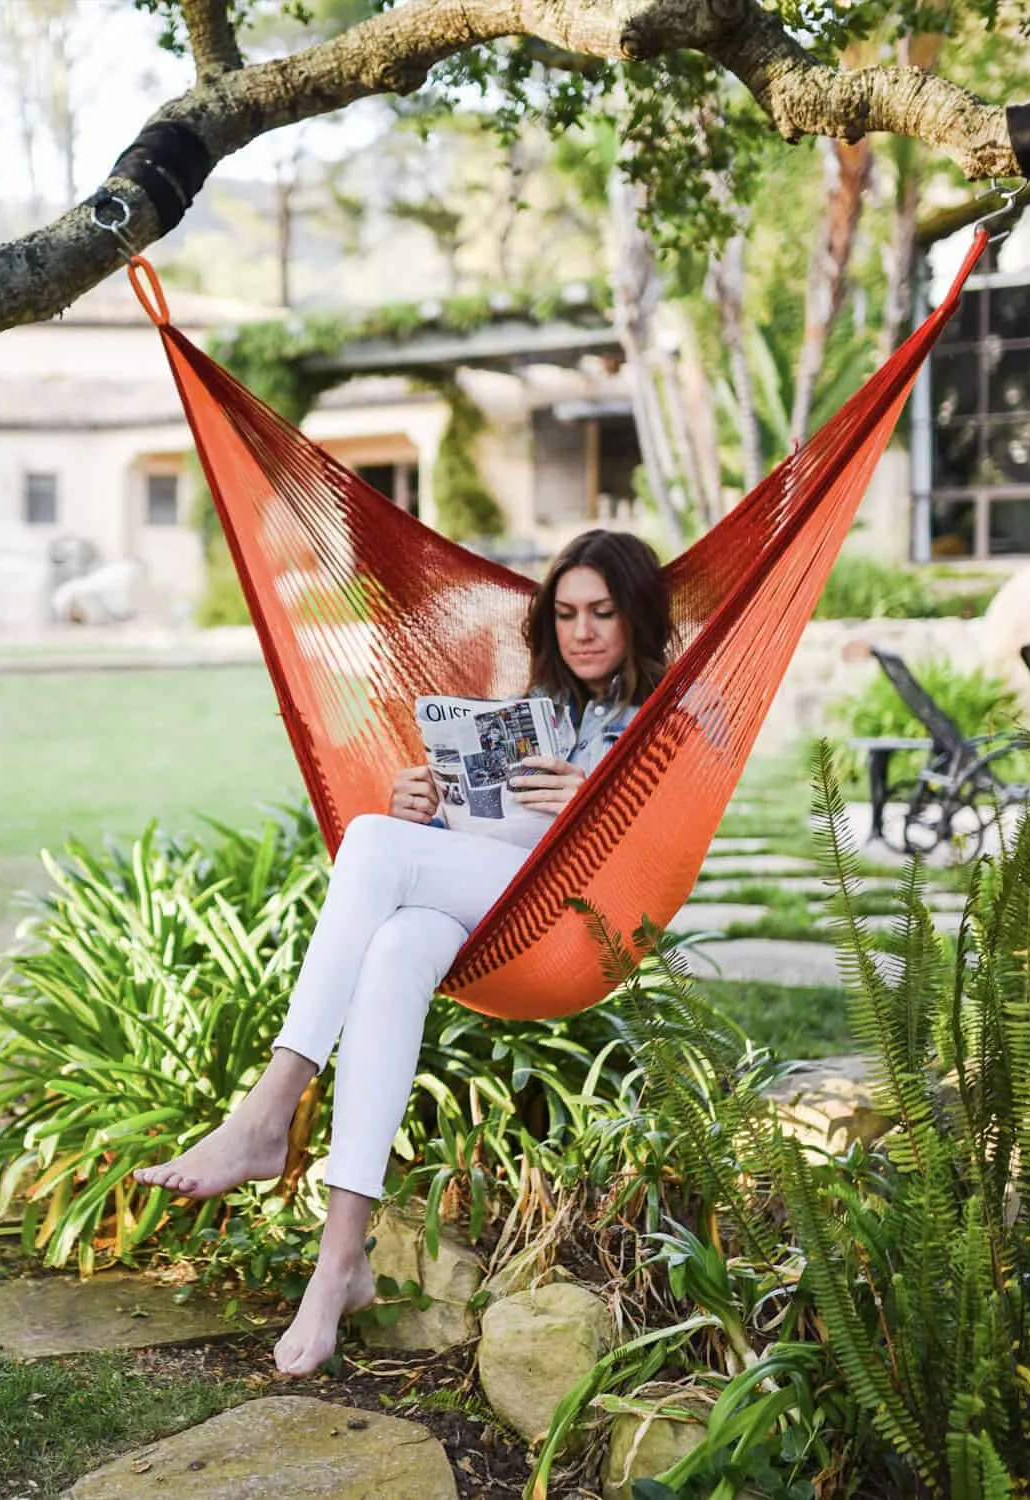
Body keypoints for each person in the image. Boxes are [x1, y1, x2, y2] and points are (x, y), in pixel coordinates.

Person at [133, 528, 673, 1375]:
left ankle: (267, 1116)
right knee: (392, 941)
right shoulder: (541, 708)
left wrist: (595, 803)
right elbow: (490, 830)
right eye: (566, 613)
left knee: (375, 848)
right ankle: (339, 1262)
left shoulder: (673, 720)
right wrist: (425, 801)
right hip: (496, 908)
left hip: (576, 920)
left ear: (638, 615)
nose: (583, 631)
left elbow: (664, 856)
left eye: (603, 612)